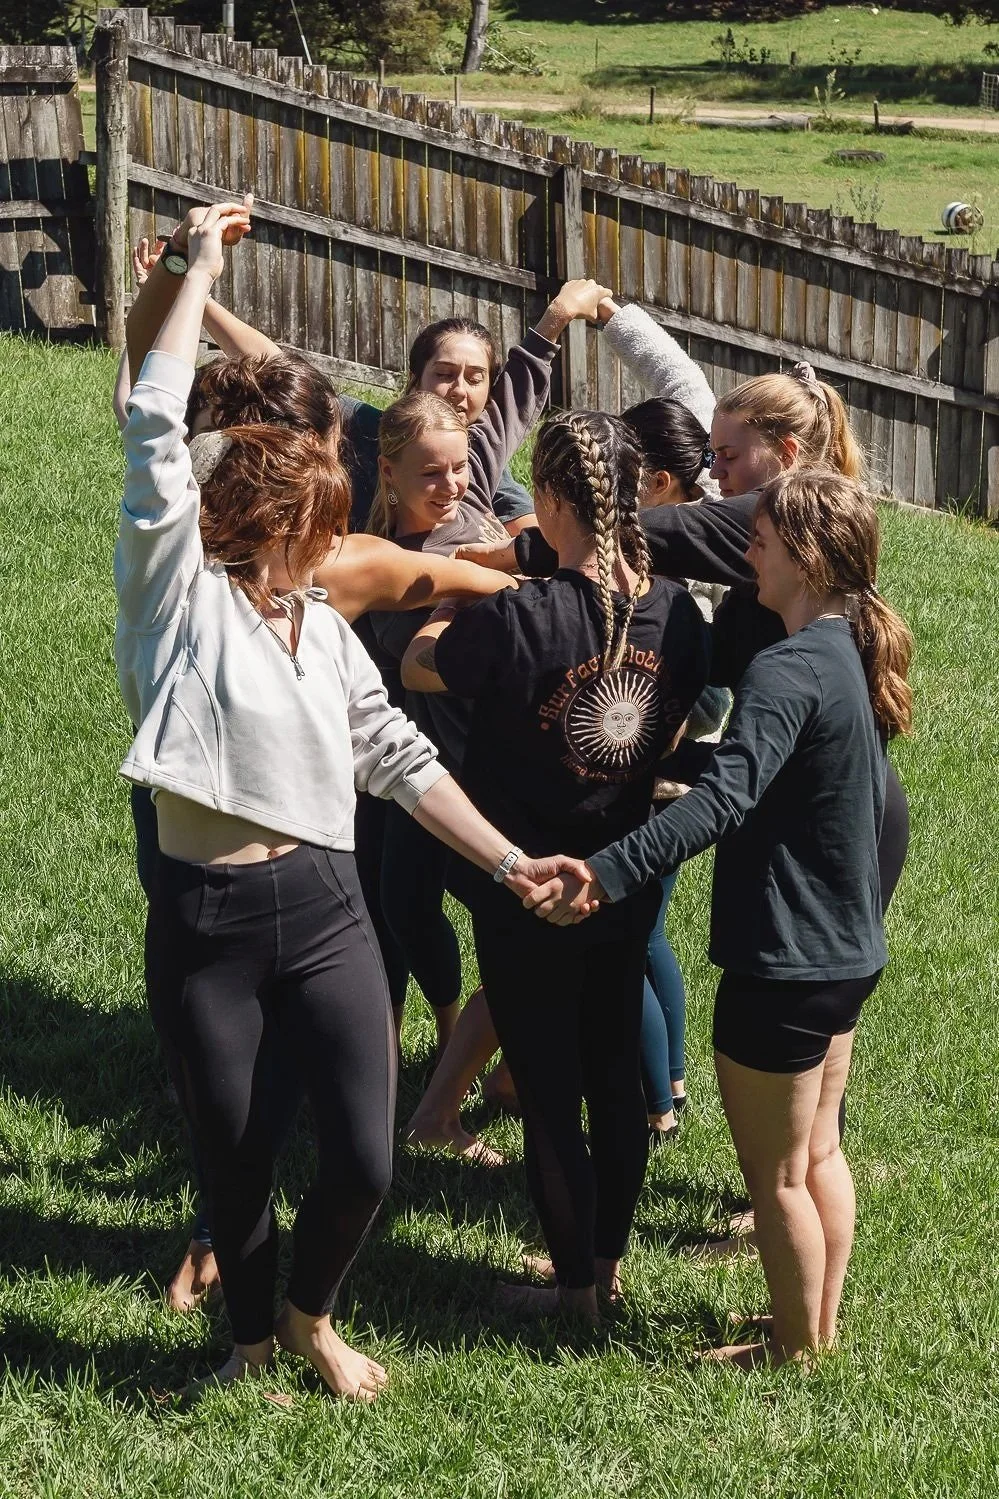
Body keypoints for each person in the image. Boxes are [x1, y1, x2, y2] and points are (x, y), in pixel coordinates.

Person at [116, 204, 561, 1399]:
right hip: (207, 918)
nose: (337, 548)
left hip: (323, 906)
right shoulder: (176, 605)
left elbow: (396, 754)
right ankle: (253, 1338)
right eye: (321, 527)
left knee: (364, 1156)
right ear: (273, 523)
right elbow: (152, 419)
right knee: (235, 1157)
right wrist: (193, 268)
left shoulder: (320, 629)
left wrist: (512, 860)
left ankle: (313, 1313)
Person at [525, 469, 914, 1366]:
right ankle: (814, 1327)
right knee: (818, 1156)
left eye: (761, 544)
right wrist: (685, 760)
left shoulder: (782, 666)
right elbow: (771, 772)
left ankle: (791, 1352)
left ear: (805, 556)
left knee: (775, 1177)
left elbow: (730, 799)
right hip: (846, 956)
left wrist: (606, 872)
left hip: (782, 963)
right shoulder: (838, 650)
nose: (748, 558)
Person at [401, 409, 709, 1320]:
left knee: (546, 1088)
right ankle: (606, 1268)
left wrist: (464, 586)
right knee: (614, 1074)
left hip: (526, 888)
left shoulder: (523, 615)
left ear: (547, 498)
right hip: (619, 879)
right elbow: (676, 724)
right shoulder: (677, 613)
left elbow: (422, 666)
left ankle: (573, 1288)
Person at [365, 277, 614, 1066]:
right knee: (396, 909)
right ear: (389, 471)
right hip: (395, 756)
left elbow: (512, 408)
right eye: (430, 475)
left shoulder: (474, 505)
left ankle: (633, 1085)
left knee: (522, 913)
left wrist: (491, 573)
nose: (449, 484)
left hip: (485, 759)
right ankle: (420, 1041)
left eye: (456, 472)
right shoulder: (368, 542)